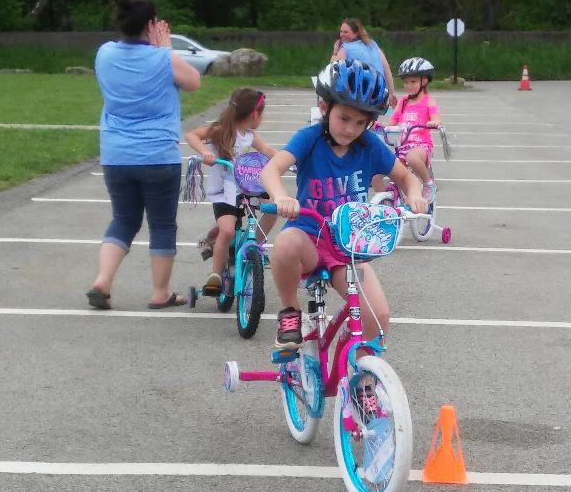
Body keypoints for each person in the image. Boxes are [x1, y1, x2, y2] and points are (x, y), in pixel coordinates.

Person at [260, 59, 427, 350]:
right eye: (344, 118)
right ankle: (289, 311)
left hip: (349, 245)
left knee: (378, 317)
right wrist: (280, 196)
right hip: (309, 237)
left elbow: (406, 177)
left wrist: (414, 194)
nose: (351, 129)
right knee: (285, 243)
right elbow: (271, 170)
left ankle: (364, 382)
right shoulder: (309, 139)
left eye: (361, 122)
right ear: (325, 107)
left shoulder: (370, 145)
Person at [86, 0, 201, 310]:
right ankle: (160, 292)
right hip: (158, 155)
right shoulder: (163, 58)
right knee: (162, 224)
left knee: (123, 220)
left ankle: (102, 281)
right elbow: (193, 81)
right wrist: (165, 47)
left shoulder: (104, 54)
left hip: (115, 154)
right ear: (151, 25)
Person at [184, 87, 279, 294]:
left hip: (246, 186)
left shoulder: (250, 135)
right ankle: (215, 275)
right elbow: (191, 135)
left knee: (274, 206)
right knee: (227, 230)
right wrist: (204, 152)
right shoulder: (220, 129)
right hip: (224, 192)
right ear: (255, 114)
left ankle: (255, 246)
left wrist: (288, 160)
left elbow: (268, 151)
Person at [387, 57, 442, 198]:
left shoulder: (428, 101)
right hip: (403, 145)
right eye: (406, 82)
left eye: (413, 82)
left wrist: (434, 122)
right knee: (383, 168)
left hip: (421, 146)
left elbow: (436, 118)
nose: (408, 86)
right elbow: (392, 122)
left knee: (412, 158)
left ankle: (429, 183)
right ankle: (392, 201)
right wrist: (380, 127)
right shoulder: (403, 102)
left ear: (424, 81)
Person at [331, 17, 398, 108]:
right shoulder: (373, 44)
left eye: (346, 32)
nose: (342, 34)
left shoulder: (346, 47)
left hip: (359, 96)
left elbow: (333, 68)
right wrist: (391, 93)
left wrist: (335, 50)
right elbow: (386, 67)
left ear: (356, 33)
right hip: (379, 93)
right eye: (341, 31)